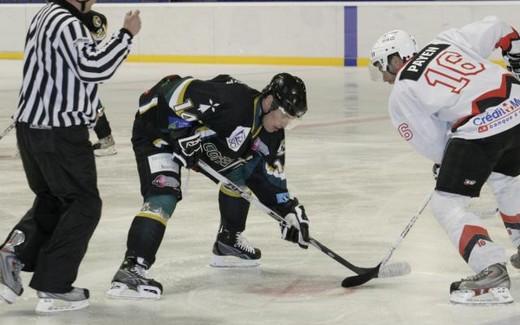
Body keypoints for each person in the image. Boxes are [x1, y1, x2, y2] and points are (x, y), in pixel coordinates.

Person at [106, 73, 311, 300]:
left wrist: (288, 212)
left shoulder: (271, 133)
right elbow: (171, 92)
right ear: (270, 101)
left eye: (291, 120)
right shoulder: (233, 100)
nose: (284, 123)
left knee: (242, 175)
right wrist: (181, 133)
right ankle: (131, 269)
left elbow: (271, 178)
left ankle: (228, 241)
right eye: (283, 115)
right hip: (156, 133)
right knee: (164, 196)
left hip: (197, 145)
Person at [0, 0, 140, 313]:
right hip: (58, 131)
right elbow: (94, 67)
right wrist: (126, 36)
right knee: (84, 204)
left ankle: (9, 260)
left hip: (32, 128)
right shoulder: (67, 22)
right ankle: (54, 285)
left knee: (52, 199)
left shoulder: (44, 16)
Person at [370, 16, 520, 304]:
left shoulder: (403, 89)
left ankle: (491, 269)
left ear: (397, 58)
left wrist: (447, 162)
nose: (385, 76)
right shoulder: (446, 40)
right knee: (506, 179)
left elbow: (431, 142)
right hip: (517, 110)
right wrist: (517, 61)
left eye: (383, 66)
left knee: (447, 203)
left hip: (482, 127)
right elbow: (501, 29)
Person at [82, 10, 117, 157]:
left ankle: (106, 140)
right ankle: (106, 139)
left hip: (81, 64)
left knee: (91, 100)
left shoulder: (90, 17)